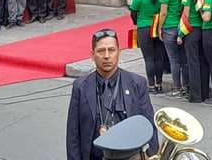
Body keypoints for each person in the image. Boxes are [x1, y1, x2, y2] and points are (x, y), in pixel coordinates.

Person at [66, 28, 158, 160]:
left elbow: (149, 126)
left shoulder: (137, 83)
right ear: (92, 55)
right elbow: (73, 134)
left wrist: (153, 156)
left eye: (112, 50)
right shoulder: (80, 86)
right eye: (101, 51)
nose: (107, 56)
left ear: (119, 53)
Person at [129, 0, 164, 93]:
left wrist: (136, 22)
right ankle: (159, 83)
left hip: (144, 27)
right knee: (159, 57)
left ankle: (151, 85)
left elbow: (133, 12)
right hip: (159, 26)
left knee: (149, 58)